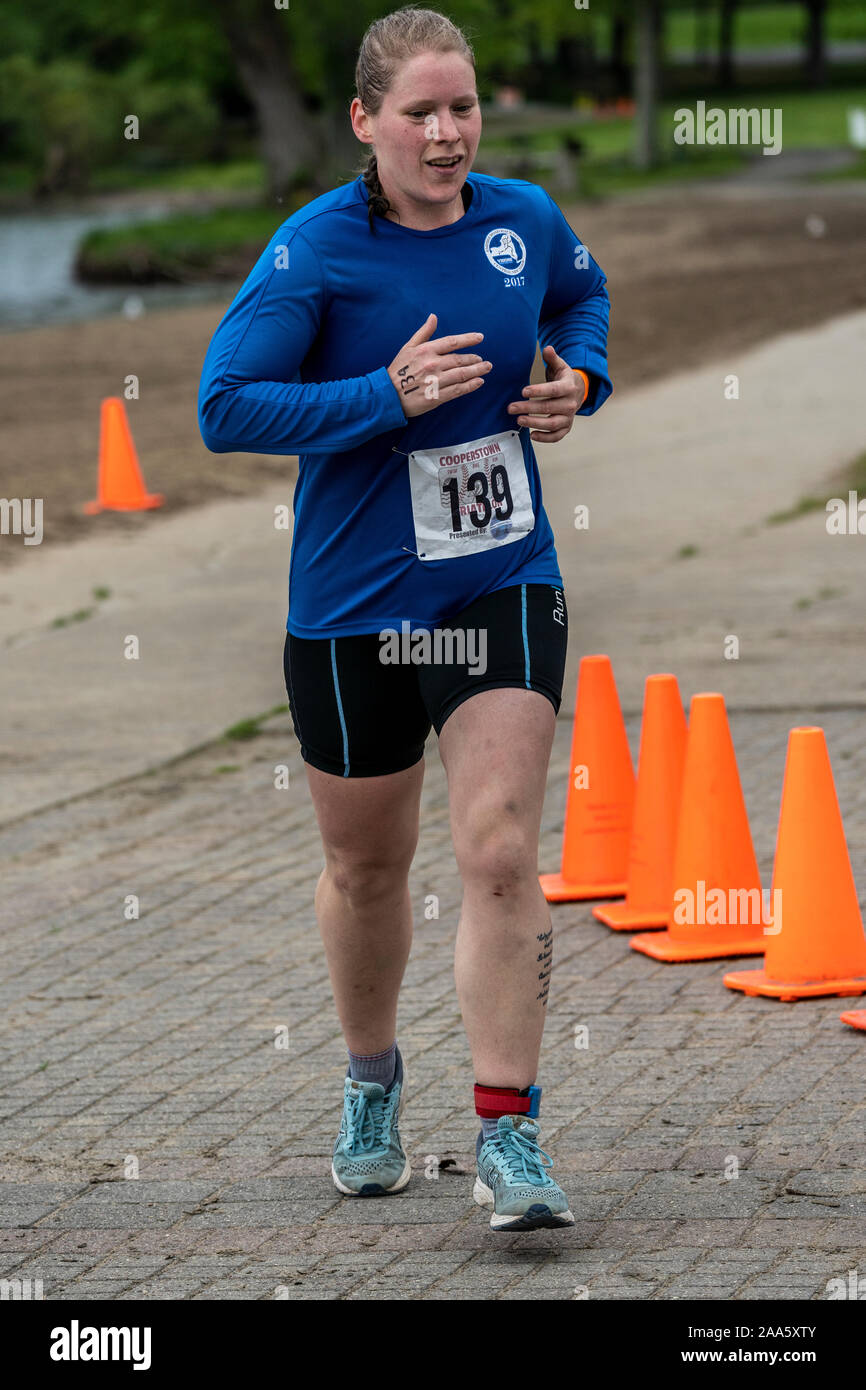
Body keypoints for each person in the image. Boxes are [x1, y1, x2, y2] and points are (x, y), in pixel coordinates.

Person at [198, 5, 611, 1233]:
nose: (445, 134)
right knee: (366, 866)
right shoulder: (315, 253)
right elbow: (227, 405)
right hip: (351, 607)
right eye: (420, 112)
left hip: (498, 580)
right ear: (365, 121)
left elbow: (581, 299)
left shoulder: (521, 219)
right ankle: (371, 1084)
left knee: (496, 848)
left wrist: (573, 379)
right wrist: (377, 396)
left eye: (463, 107)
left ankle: (509, 1135)